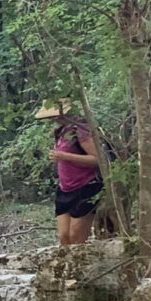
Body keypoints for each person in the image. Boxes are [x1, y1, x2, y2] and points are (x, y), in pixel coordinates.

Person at [35, 100, 103, 246]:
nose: (54, 119)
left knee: (76, 237)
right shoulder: (61, 131)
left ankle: (80, 267)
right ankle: (68, 267)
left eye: (56, 116)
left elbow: (97, 159)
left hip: (86, 187)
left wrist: (64, 156)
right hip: (65, 188)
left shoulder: (81, 131)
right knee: (64, 236)